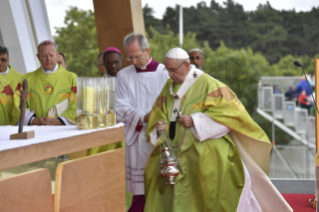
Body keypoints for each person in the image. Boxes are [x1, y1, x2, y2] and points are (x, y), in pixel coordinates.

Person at [144, 47, 292, 212]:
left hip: (204, 153)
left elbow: (230, 116)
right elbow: (160, 112)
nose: (169, 74)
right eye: (167, 69)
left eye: (173, 70)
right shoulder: (169, 86)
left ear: (186, 65)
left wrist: (195, 120)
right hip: (174, 154)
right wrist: (160, 124)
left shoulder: (209, 84)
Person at [115, 32, 169, 212]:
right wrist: (143, 117)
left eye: (137, 56)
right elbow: (120, 106)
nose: (133, 61)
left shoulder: (165, 73)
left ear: (147, 50)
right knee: (141, 193)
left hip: (161, 136)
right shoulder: (123, 75)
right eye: (129, 57)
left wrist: (158, 119)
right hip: (137, 136)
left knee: (164, 186)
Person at [22, 40, 77, 125]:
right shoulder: (27, 78)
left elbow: (76, 104)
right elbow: (19, 104)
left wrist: (61, 121)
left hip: (62, 128)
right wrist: (33, 121)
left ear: (57, 56)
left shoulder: (71, 78)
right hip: (36, 128)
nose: (48, 59)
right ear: (38, 57)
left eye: (51, 55)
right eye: (44, 56)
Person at [87, 47, 123, 155]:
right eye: (109, 63)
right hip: (104, 138)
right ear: (104, 64)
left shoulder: (131, 82)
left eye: (116, 62)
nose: (113, 66)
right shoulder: (93, 87)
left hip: (127, 134)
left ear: (121, 62)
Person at [0, 45, 21, 125]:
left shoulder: (20, 79)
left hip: (15, 126)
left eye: (3, 60)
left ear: (8, 60)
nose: (0, 62)